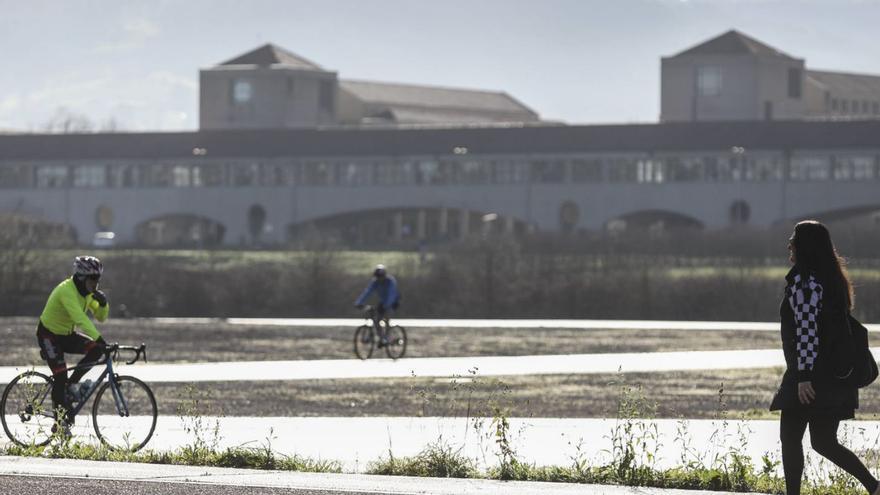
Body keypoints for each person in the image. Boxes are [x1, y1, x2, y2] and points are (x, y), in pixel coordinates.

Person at [770, 221, 879, 495]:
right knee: (824, 441)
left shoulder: (805, 283)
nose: (789, 245)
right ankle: (875, 487)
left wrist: (803, 377)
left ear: (804, 246)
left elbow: (806, 332)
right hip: (834, 375)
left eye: (793, 240)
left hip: (811, 374)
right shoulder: (832, 279)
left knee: (790, 437)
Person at [36, 255, 109, 435]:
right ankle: (60, 424)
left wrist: (104, 303)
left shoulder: (86, 294)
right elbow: (80, 319)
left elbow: (101, 317)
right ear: (82, 278)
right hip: (49, 335)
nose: (96, 283)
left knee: (96, 351)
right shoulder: (66, 291)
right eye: (93, 279)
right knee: (60, 378)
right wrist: (100, 338)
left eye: (98, 279)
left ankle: (70, 386)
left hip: (66, 335)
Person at [354, 264, 400, 346]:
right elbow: (367, 292)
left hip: (393, 302)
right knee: (376, 319)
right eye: (377, 277)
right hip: (383, 302)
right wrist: (359, 302)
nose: (379, 279)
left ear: (384, 275)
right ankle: (382, 337)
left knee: (386, 317)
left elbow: (391, 295)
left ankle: (387, 337)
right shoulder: (375, 282)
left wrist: (386, 306)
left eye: (380, 277)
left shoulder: (390, 282)